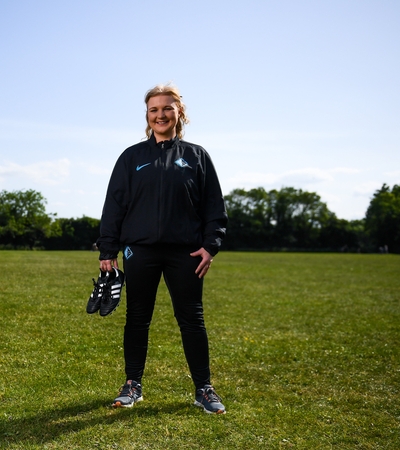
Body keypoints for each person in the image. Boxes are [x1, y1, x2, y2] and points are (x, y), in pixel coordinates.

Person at [96, 83, 228, 414]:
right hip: (139, 251)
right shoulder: (131, 157)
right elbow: (114, 207)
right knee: (137, 318)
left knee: (192, 320)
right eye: (154, 110)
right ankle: (132, 384)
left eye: (167, 108)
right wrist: (107, 252)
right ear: (147, 115)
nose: (160, 115)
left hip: (186, 253)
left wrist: (210, 247)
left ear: (179, 113)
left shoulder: (196, 156)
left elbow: (215, 208)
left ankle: (204, 389)